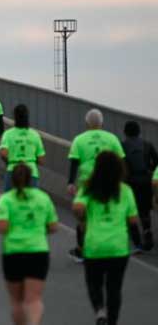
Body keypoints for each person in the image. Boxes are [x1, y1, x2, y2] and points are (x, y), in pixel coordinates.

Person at [73, 151, 140, 325]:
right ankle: (112, 322)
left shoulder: (88, 188)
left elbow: (78, 208)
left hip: (94, 245)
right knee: (114, 288)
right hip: (118, 247)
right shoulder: (125, 191)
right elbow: (133, 220)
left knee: (94, 283)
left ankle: (100, 310)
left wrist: (83, 220)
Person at [0, 164, 58, 325]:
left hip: (13, 252)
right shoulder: (43, 198)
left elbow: (1, 227)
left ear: (12, 180)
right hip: (38, 251)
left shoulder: (6, 199)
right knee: (33, 299)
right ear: (31, 179)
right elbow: (53, 227)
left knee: (16, 301)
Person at [67, 109, 126, 263]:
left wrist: (70, 182)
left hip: (87, 184)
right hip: (109, 182)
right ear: (102, 123)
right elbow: (121, 161)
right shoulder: (112, 138)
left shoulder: (79, 139)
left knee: (83, 218)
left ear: (87, 123)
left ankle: (82, 250)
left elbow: (74, 162)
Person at [121, 120, 157, 251]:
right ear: (139, 131)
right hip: (146, 181)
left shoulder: (122, 146)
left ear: (125, 132)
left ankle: (136, 242)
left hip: (130, 183)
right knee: (145, 210)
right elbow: (156, 162)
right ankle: (148, 234)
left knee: (131, 210)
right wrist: (150, 172)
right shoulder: (147, 144)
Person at [0, 104, 45, 191]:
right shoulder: (35, 135)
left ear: (15, 117)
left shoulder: (8, 134)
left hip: (13, 171)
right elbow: (41, 160)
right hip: (31, 172)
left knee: (9, 202)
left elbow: (3, 154)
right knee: (31, 203)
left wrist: (10, 162)